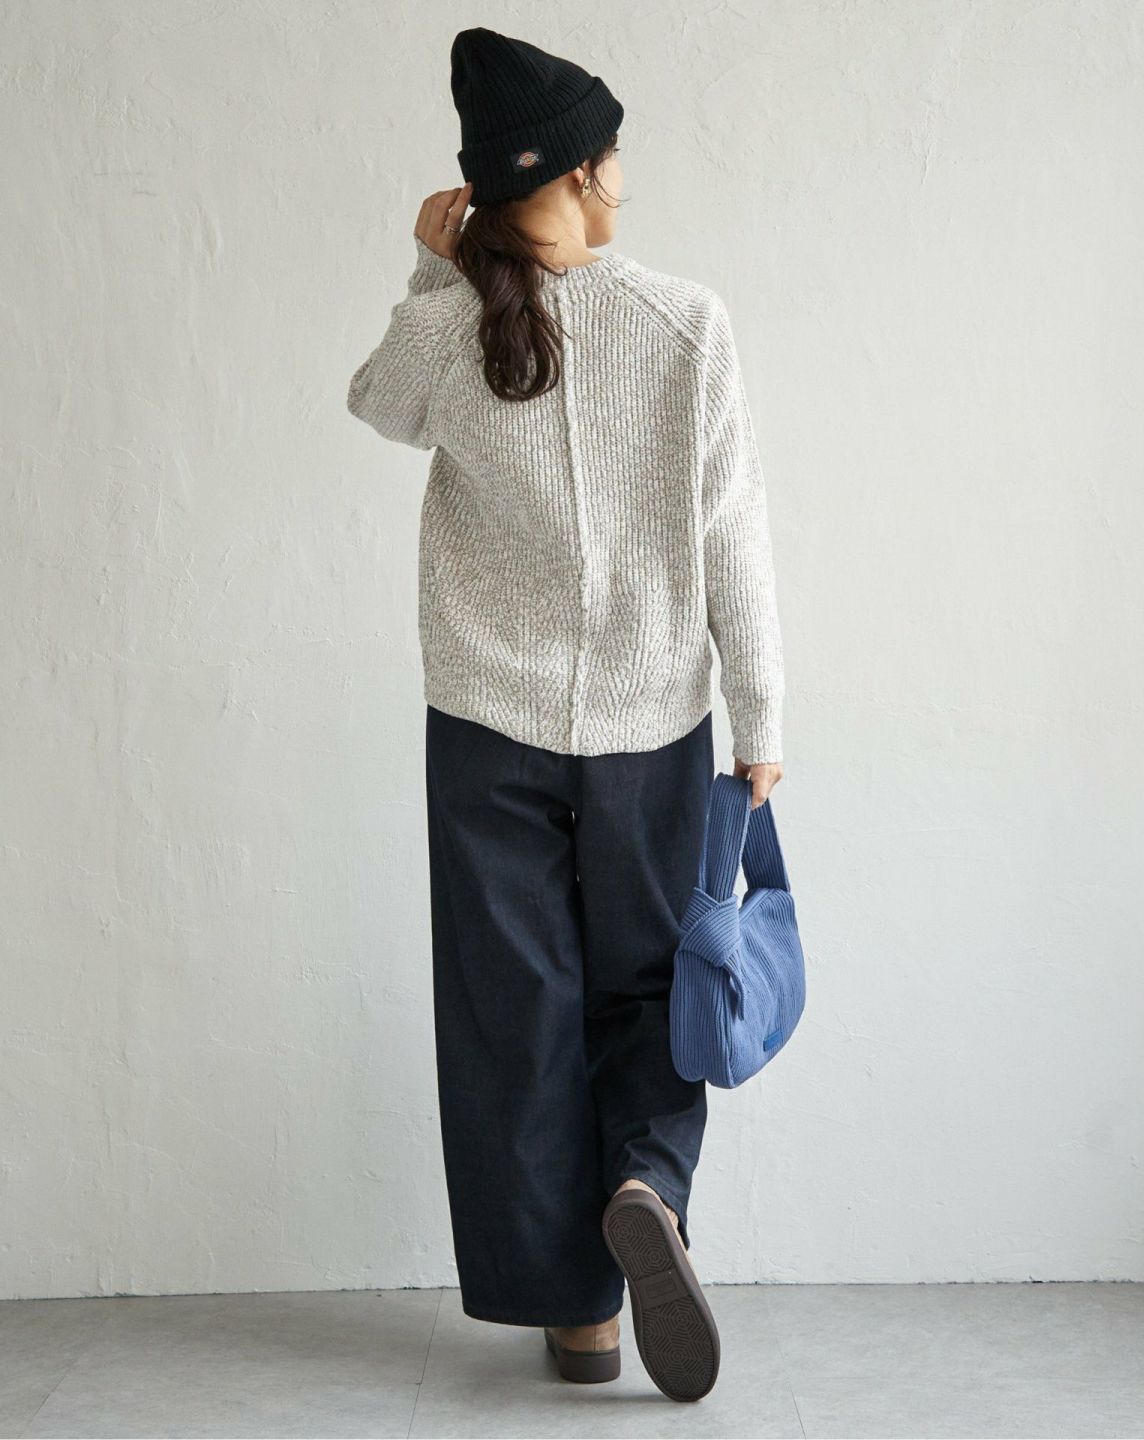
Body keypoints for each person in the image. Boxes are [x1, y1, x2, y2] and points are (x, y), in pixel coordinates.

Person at [346, 26, 785, 1405]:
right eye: (615, 153)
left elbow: (376, 406)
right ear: (586, 172)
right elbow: (733, 531)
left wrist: (434, 269)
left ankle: (580, 1320)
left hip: (488, 723)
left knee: (514, 1011)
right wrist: (761, 717)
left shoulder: (455, 324)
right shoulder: (687, 322)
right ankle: (647, 1188)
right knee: (653, 989)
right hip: (654, 726)